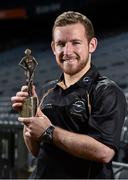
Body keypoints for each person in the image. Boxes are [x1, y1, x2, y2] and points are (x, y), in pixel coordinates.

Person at [11, 11, 127, 179]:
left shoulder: (106, 91)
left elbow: (104, 152)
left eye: (75, 42)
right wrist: (29, 116)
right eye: (61, 44)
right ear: (53, 47)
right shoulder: (46, 90)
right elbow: (36, 150)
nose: (67, 51)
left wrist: (49, 131)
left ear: (92, 45)